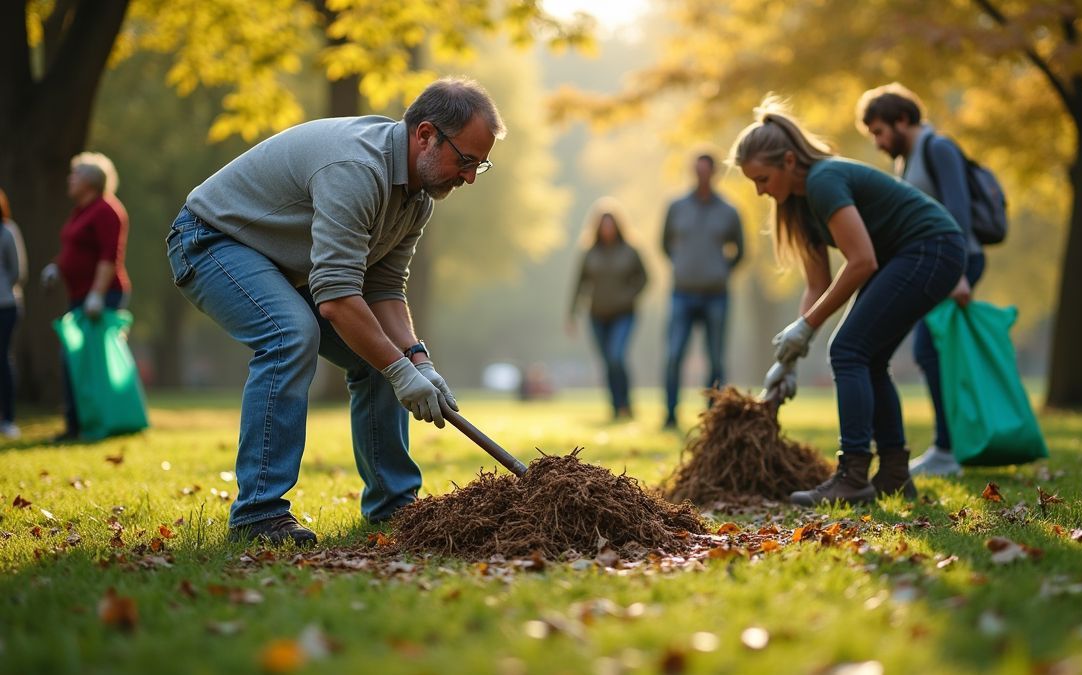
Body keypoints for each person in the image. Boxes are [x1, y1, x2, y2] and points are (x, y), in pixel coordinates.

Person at [167, 77, 504, 545]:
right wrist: (400, 370)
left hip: (286, 265)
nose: (469, 177)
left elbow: (384, 289)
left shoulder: (416, 200)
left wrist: (417, 360)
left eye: (478, 165)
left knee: (383, 356)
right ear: (426, 135)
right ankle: (258, 515)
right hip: (211, 240)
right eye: (465, 160)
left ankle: (394, 506)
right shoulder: (356, 169)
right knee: (291, 333)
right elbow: (338, 297)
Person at [734, 96, 966, 506]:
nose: (759, 191)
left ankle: (853, 475)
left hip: (932, 247)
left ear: (789, 161)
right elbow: (818, 285)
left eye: (763, 179)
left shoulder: (824, 180)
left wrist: (807, 328)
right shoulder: (797, 206)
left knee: (847, 350)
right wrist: (789, 359)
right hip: (909, 255)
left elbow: (862, 262)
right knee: (867, 356)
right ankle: (894, 475)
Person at [857, 83, 986, 477]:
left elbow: (957, 209)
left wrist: (958, 274)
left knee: (928, 348)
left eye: (880, 132)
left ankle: (947, 450)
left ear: (902, 119)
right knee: (930, 351)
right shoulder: (907, 160)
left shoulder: (938, 148)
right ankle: (948, 447)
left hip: (959, 261)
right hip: (941, 264)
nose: (878, 143)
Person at [41, 153, 132, 442]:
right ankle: (78, 424)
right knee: (76, 360)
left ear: (91, 181)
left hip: (101, 296)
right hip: (79, 295)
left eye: (75, 174)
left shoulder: (106, 209)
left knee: (85, 362)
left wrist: (97, 294)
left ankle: (92, 423)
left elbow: (109, 256)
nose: (70, 179)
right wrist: (57, 266)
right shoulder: (81, 210)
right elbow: (75, 249)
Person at [661, 154, 744, 429]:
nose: (701, 177)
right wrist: (682, 266)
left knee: (716, 358)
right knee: (674, 355)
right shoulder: (676, 207)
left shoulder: (729, 211)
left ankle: (714, 416)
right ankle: (670, 414)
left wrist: (720, 271)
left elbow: (740, 251)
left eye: (705, 172)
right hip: (682, 293)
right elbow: (664, 244)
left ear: (714, 173)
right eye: (697, 171)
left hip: (716, 294)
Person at [567, 201, 648, 419]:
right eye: (604, 225)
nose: (607, 229)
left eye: (611, 225)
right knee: (607, 362)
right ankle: (616, 406)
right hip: (597, 315)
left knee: (617, 357)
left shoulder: (630, 251)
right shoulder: (589, 253)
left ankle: (626, 403)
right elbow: (579, 284)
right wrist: (572, 314)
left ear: (618, 226)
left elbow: (644, 278)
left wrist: (628, 296)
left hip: (624, 314)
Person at [0, 188, 28, 439]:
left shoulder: (8, 231)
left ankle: (8, 418)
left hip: (5, 305)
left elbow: (18, 271)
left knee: (2, 358)